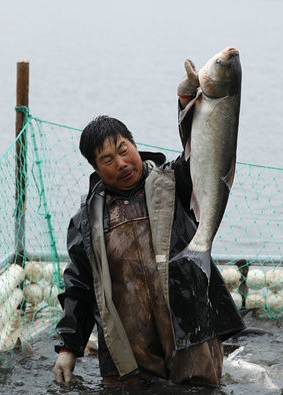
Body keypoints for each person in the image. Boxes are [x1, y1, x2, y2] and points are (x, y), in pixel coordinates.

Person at [53, 59, 245, 389]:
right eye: (107, 160)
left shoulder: (176, 182)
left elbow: (203, 147)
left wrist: (187, 102)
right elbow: (80, 286)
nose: (121, 163)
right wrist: (69, 346)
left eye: (122, 150)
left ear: (133, 143)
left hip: (189, 331)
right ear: (96, 169)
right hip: (129, 348)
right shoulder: (87, 220)